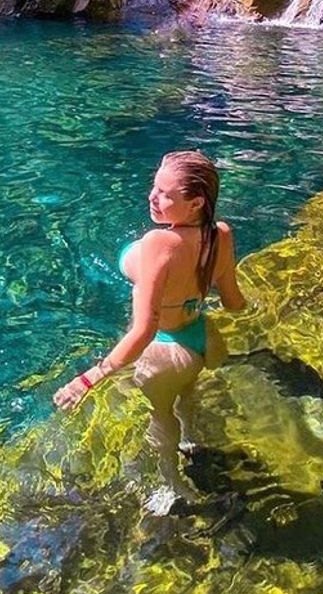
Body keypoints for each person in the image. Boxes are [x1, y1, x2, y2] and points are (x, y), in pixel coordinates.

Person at [53, 149, 247, 502]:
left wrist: (88, 379)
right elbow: (234, 302)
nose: (152, 198)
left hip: (165, 351)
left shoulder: (160, 243)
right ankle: (193, 441)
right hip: (203, 338)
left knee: (162, 418)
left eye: (164, 194)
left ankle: (173, 487)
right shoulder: (221, 233)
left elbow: (143, 330)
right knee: (186, 396)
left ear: (196, 203)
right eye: (154, 188)